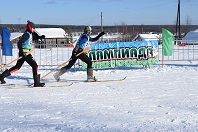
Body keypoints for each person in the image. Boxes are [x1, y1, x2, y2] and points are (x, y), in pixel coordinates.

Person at [0, 20, 45, 87]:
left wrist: (40, 37)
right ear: (30, 27)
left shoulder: (29, 33)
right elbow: (19, 43)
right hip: (25, 53)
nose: (34, 29)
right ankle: (37, 83)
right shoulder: (26, 34)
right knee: (35, 66)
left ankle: (2, 76)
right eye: (33, 28)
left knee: (17, 67)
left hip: (26, 53)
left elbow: (32, 38)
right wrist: (22, 52)